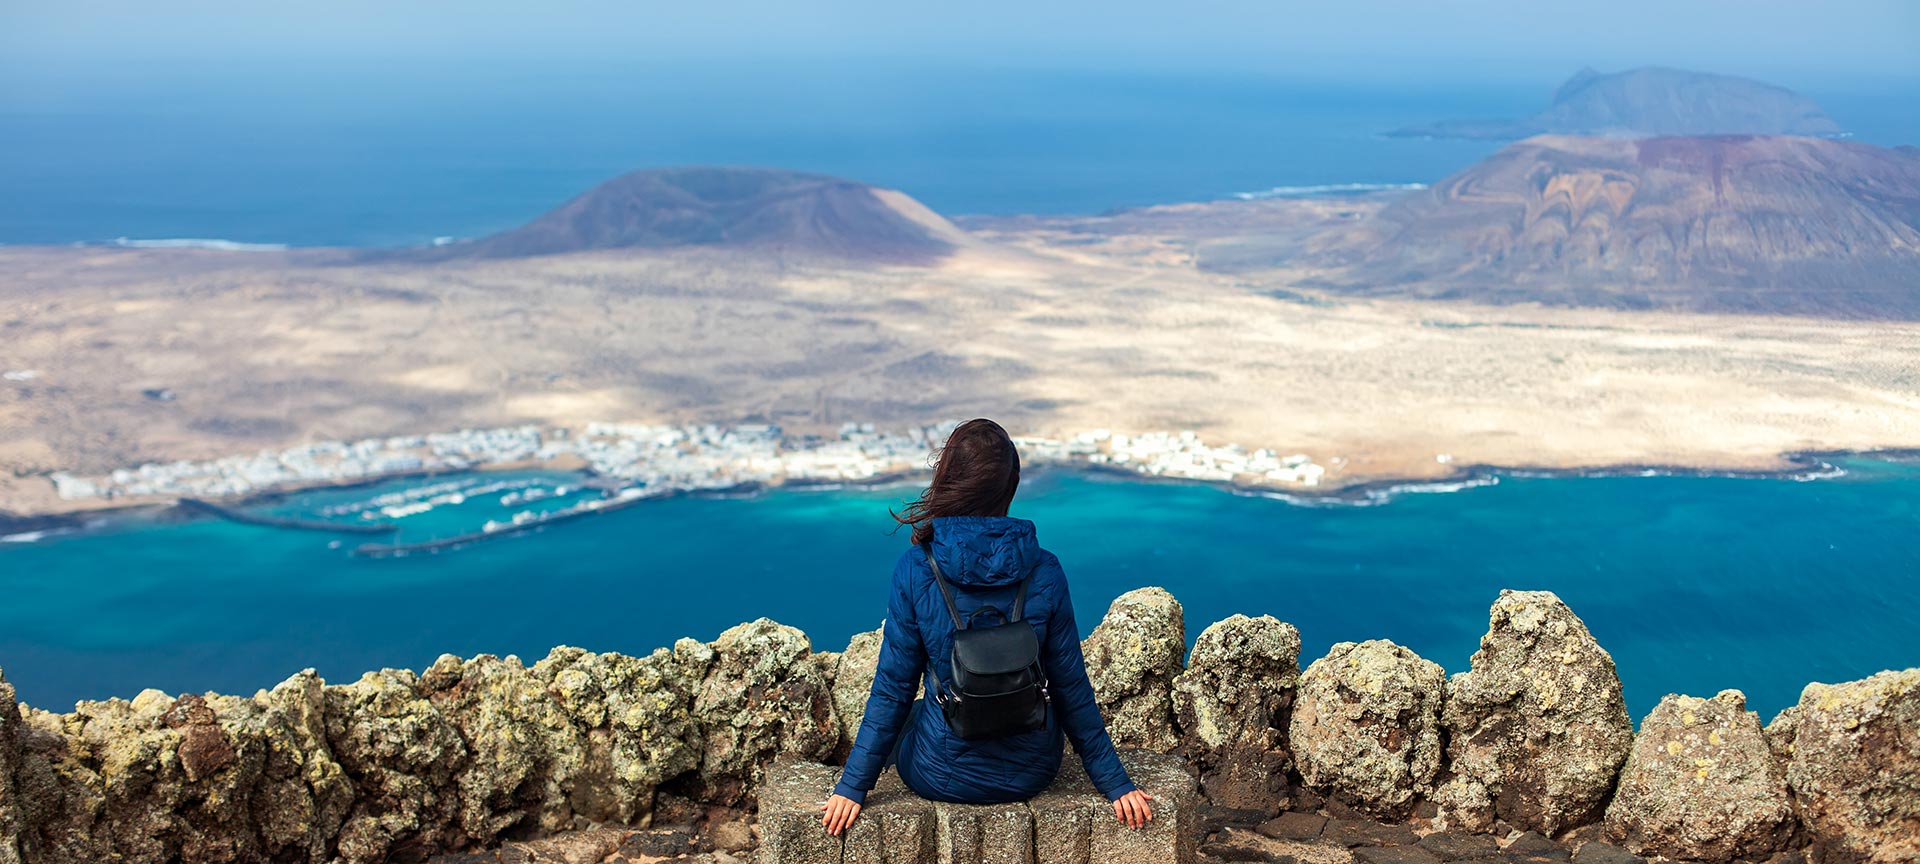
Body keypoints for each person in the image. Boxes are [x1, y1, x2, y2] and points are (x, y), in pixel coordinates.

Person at [821, 418, 1154, 837]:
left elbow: (893, 689)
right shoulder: (1045, 570)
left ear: (947, 478)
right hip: (1033, 770)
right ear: (1010, 485)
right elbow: (1071, 687)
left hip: (938, 774)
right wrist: (1115, 784)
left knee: (917, 710)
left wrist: (852, 787)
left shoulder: (916, 568)